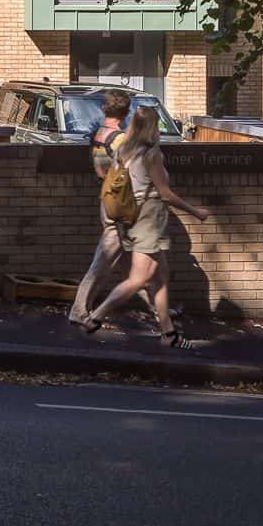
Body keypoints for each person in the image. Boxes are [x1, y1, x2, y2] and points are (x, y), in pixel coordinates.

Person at [80, 108, 211, 346]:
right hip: (148, 220)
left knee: (160, 276)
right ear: (152, 126)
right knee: (139, 278)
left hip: (132, 217)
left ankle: (168, 334)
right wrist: (196, 212)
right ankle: (95, 317)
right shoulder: (152, 154)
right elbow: (165, 194)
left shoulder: (123, 149)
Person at [68, 88, 133, 326]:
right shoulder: (119, 139)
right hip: (119, 203)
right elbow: (133, 170)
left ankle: (162, 309)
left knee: (136, 265)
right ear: (125, 112)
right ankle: (78, 308)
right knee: (104, 260)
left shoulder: (97, 134)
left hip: (106, 197)